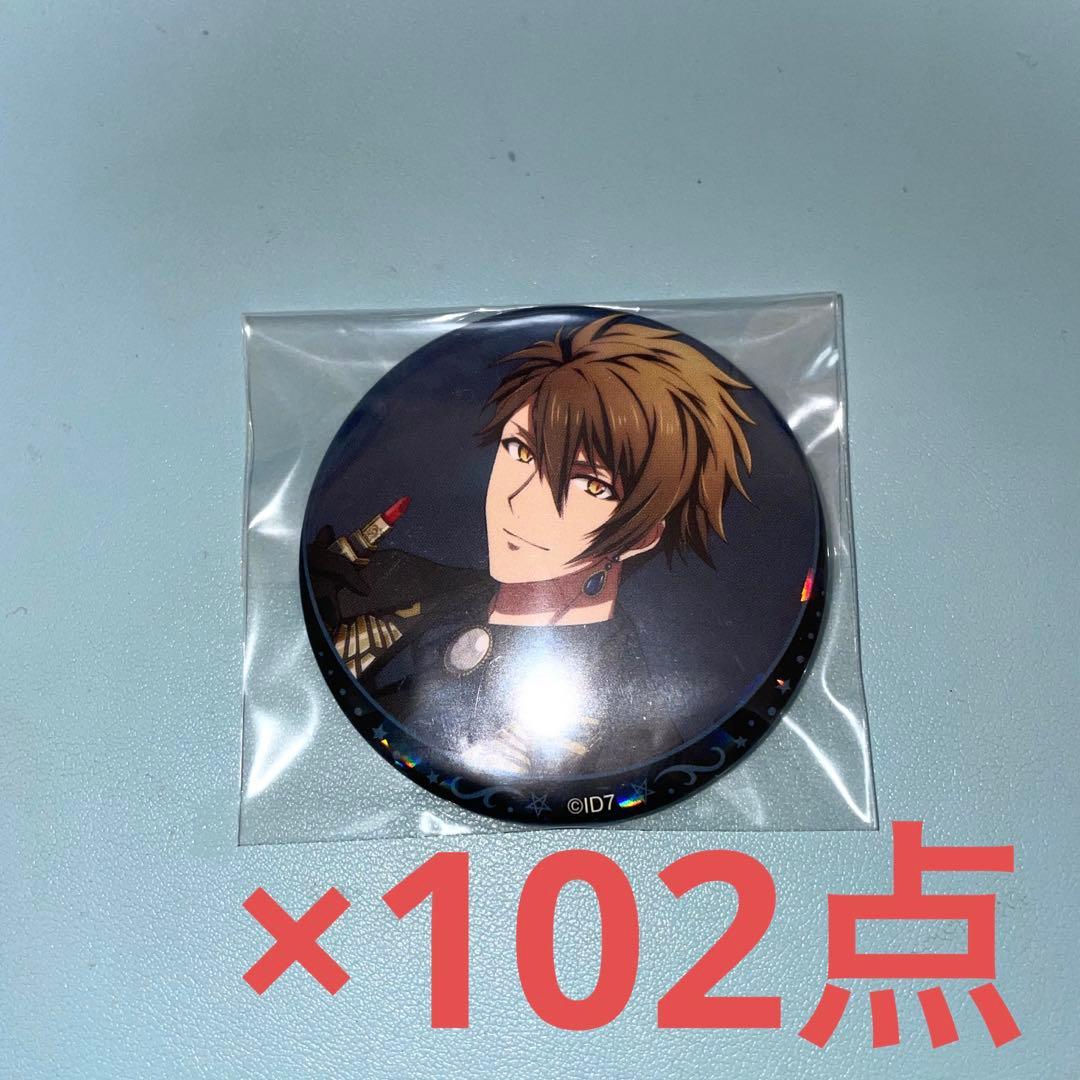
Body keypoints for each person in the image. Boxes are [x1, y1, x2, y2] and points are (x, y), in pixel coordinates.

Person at [307, 314, 754, 781]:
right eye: (521, 451)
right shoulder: (394, 580)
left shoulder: (634, 731)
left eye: (590, 484)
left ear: (642, 536)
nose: (520, 500)